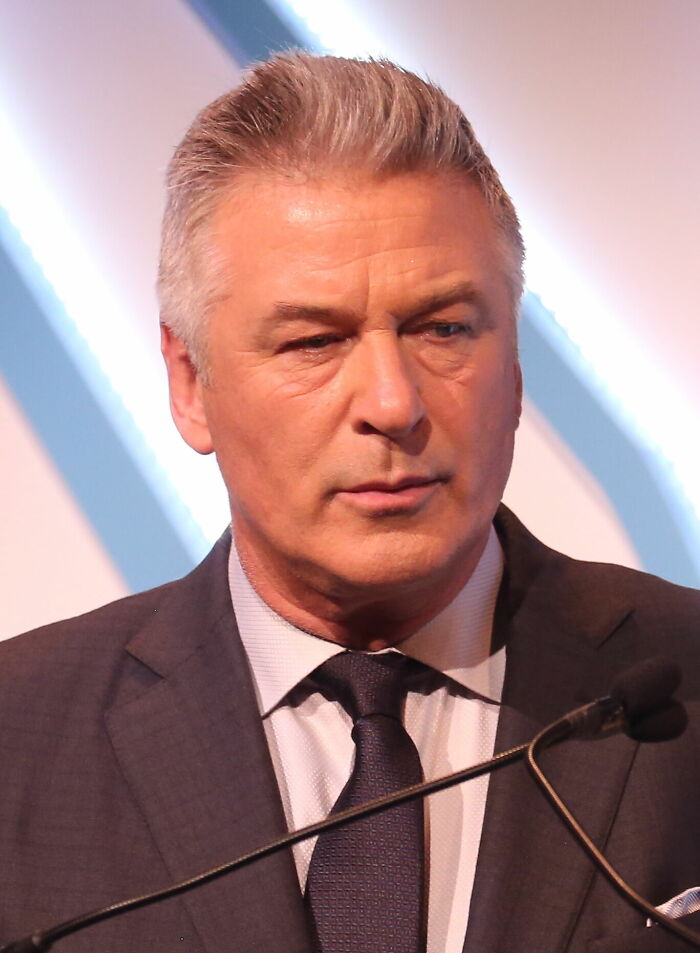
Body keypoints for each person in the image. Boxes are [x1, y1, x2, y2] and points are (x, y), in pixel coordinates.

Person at [1, 53, 699, 953]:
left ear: (516, 365)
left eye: (444, 328)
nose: (394, 403)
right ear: (190, 383)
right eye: (313, 342)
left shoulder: (679, 680)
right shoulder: (19, 736)